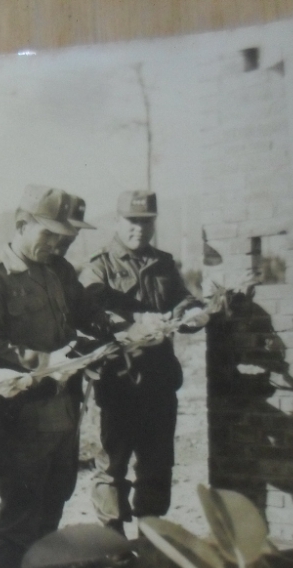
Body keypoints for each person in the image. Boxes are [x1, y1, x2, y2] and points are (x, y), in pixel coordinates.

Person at [0, 185, 111, 568]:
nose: (57, 244)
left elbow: (88, 316)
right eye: (49, 235)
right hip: (21, 423)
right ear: (21, 223)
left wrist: (111, 332)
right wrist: (48, 361)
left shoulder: (60, 272)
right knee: (19, 521)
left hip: (63, 417)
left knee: (50, 513)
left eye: (63, 237)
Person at [79, 190, 207, 532]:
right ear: (117, 222)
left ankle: (151, 539)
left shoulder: (163, 264)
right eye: (132, 221)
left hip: (159, 382)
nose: (139, 228)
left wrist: (193, 313)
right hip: (117, 383)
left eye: (146, 222)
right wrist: (132, 323)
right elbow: (88, 312)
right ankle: (114, 546)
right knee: (112, 467)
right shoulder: (100, 266)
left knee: (157, 465)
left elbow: (182, 300)